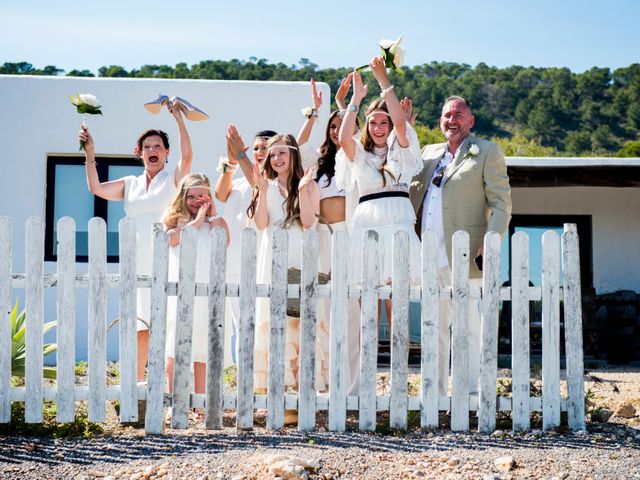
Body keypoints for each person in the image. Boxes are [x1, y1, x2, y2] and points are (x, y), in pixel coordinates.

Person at [79, 100, 193, 382]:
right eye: (147, 147)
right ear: (138, 153)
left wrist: (178, 117)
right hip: (136, 261)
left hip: (167, 257)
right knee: (140, 325)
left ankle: (168, 389)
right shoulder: (129, 183)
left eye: (157, 147)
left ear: (166, 153)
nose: (152, 151)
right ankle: (137, 387)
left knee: (166, 325)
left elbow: (188, 157)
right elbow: (95, 188)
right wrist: (90, 152)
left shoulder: (174, 180)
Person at [409, 95, 512, 396]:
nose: (451, 120)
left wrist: (490, 242)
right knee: (433, 329)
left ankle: (468, 395)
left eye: (457, 114)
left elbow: (501, 204)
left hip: (466, 255)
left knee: (468, 328)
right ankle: (435, 394)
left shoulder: (487, 151)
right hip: (429, 255)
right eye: (446, 115)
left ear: (470, 120)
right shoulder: (428, 153)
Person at [249, 134, 327, 422]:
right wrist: (259, 191)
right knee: (273, 324)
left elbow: (309, 223)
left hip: (300, 256)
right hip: (272, 257)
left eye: (282, 153)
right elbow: (260, 224)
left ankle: (303, 391)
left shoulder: (310, 185)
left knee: (302, 321)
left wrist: (305, 191)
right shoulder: (265, 186)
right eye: (273, 154)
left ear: (293, 155)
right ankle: (272, 394)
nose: (277, 159)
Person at [336, 58, 423, 295]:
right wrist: (356, 98)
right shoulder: (360, 154)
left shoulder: (401, 150)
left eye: (383, 122)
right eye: (372, 122)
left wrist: (383, 79)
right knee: (368, 294)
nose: (378, 127)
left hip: (397, 223)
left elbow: (401, 126)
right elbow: (343, 139)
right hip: (368, 225)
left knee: (395, 298)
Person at [162, 173, 229, 400]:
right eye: (191, 196)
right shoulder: (174, 221)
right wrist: (195, 223)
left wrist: (211, 216)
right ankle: (175, 399)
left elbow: (225, 240)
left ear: (209, 197)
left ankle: (200, 400)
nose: (196, 201)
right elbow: (169, 239)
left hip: (206, 294)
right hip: (179, 293)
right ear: (182, 197)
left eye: (201, 195)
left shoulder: (216, 221)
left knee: (202, 348)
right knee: (174, 348)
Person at [214, 127, 277, 367]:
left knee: (265, 325)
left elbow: (259, 186)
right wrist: (231, 162)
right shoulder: (239, 181)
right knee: (242, 325)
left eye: (266, 148)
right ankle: (247, 383)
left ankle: (266, 380)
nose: (260, 152)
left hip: (264, 263)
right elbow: (220, 194)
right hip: (235, 262)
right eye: (257, 148)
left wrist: (241, 156)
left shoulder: (275, 183)